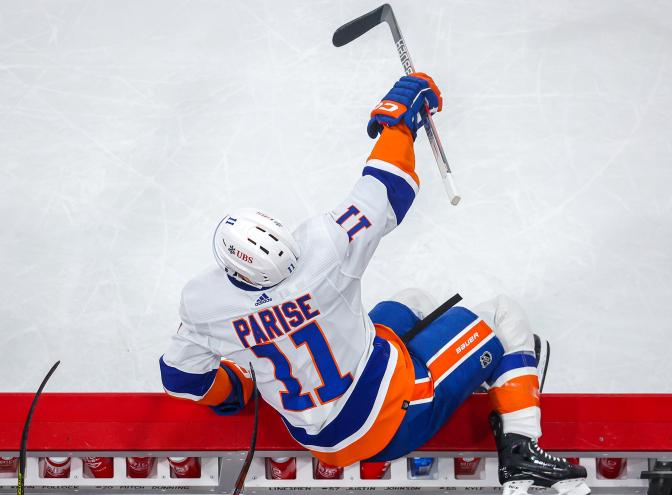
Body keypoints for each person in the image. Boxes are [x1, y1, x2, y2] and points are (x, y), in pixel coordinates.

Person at [159, 73, 589, 495]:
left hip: (319, 435)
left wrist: (235, 393)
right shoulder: (323, 252)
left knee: (413, 301)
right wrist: (398, 121)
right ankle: (523, 453)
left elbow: (179, 376)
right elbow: (388, 188)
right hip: (391, 416)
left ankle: (474, 370)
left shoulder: (205, 305)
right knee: (503, 314)